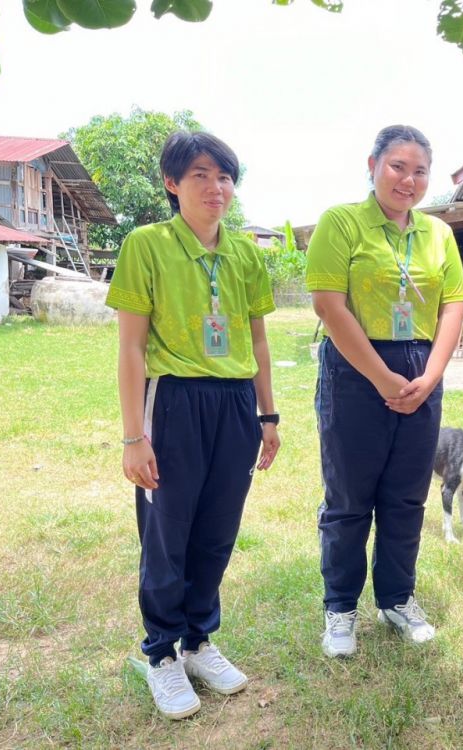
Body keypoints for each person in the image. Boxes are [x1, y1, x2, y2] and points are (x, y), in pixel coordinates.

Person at [107, 131, 280, 720]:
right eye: (200, 175)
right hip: (173, 400)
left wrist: (267, 414)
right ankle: (160, 652)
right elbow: (131, 348)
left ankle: (199, 642)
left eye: (224, 176)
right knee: (167, 532)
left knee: (216, 530)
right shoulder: (146, 245)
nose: (216, 187)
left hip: (235, 404)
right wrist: (135, 437)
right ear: (171, 183)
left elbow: (258, 339)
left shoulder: (246, 253)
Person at [307, 125, 463, 658]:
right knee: (349, 499)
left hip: (421, 370)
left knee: (406, 496)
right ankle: (340, 608)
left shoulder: (438, 233)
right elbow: (328, 304)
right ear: (372, 164)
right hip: (356, 370)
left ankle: (397, 598)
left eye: (420, 171)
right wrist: (381, 376)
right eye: (398, 166)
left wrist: (433, 375)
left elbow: (454, 304)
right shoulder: (341, 222)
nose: (408, 180)